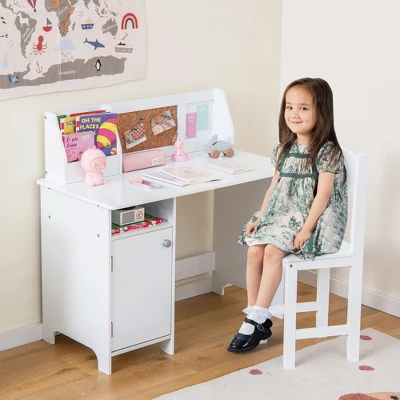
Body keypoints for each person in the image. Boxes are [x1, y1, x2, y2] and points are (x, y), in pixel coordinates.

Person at [227, 78, 348, 353]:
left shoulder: (327, 151)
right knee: (254, 250)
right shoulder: (285, 148)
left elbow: (323, 196)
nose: (294, 114)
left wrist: (307, 228)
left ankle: (256, 319)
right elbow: (274, 187)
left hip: (311, 218)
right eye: (289, 107)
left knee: (272, 251)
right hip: (281, 213)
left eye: (303, 108)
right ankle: (255, 315)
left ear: (321, 112)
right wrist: (260, 217)